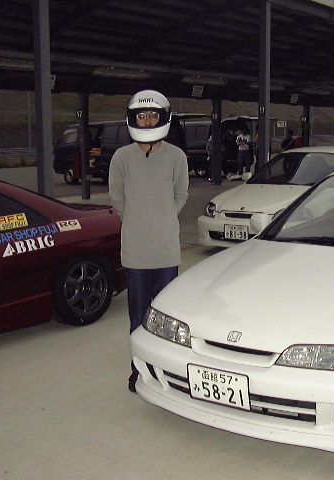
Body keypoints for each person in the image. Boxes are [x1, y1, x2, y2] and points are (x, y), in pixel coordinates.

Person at [108, 90, 189, 392]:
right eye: (141, 116)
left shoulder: (176, 156)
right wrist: (138, 220)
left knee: (167, 318)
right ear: (133, 118)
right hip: (136, 251)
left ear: (163, 117)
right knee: (138, 315)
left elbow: (181, 194)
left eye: (153, 115)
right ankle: (139, 371)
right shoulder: (122, 157)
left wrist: (163, 217)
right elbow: (117, 198)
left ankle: (167, 371)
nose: (146, 121)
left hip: (166, 250)